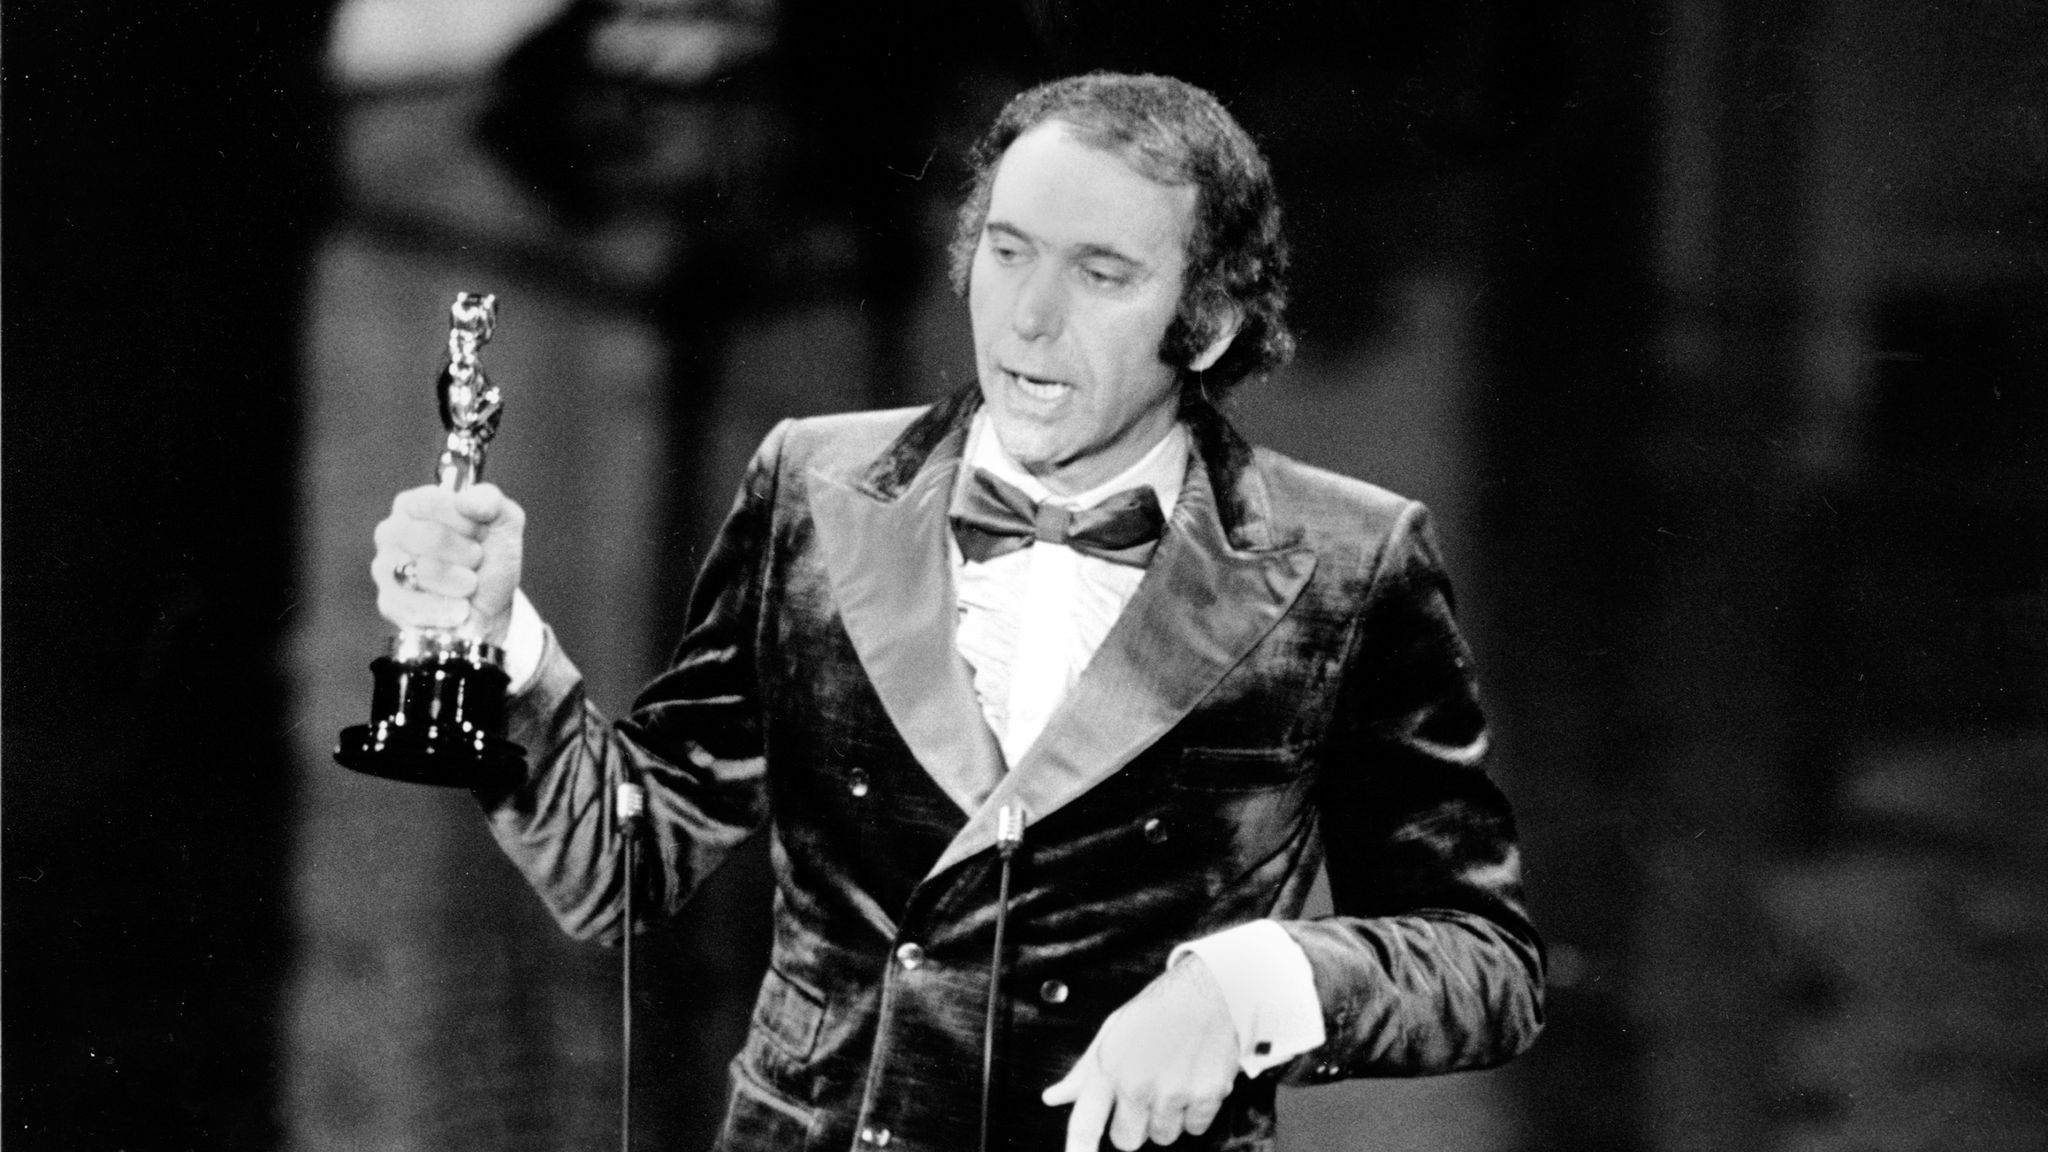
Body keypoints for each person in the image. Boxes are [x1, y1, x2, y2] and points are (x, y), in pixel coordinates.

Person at [371, 72, 1543, 1152]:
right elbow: (622, 866)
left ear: (1213, 322)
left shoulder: (1346, 559)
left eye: (1099, 274)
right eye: (1006, 250)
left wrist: (1249, 987)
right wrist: (501, 645)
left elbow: (1482, 962)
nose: (1027, 318)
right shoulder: (811, 489)